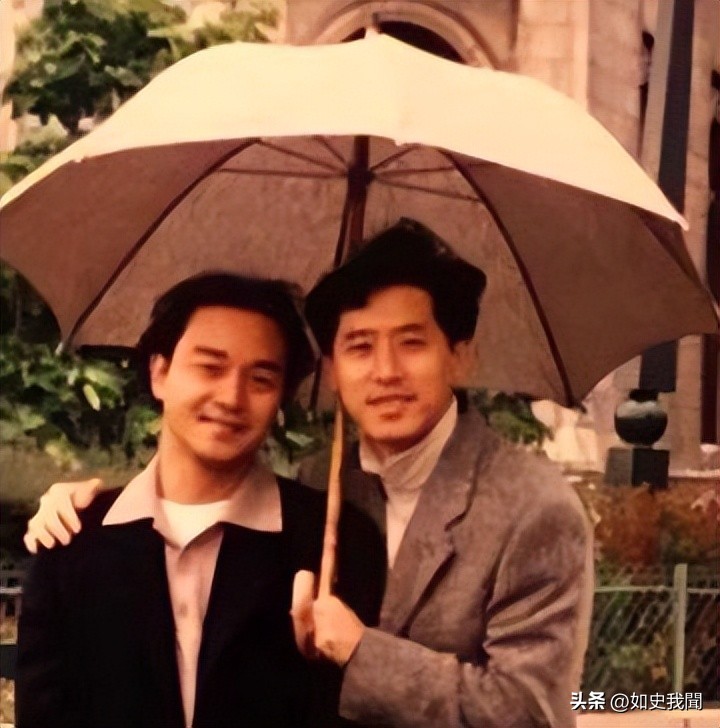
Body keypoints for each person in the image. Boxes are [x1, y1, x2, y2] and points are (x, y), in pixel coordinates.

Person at [26, 220, 593, 728]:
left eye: (411, 343)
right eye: (360, 346)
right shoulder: (326, 484)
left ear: (461, 355)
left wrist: (362, 652)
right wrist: (85, 504)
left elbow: (532, 712)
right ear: (333, 369)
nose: (386, 371)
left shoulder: (533, 509)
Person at [16, 273, 384, 728]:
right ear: (160, 373)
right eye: (210, 367)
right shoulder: (73, 540)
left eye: (261, 378)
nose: (231, 397)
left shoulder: (335, 541)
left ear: (281, 398)